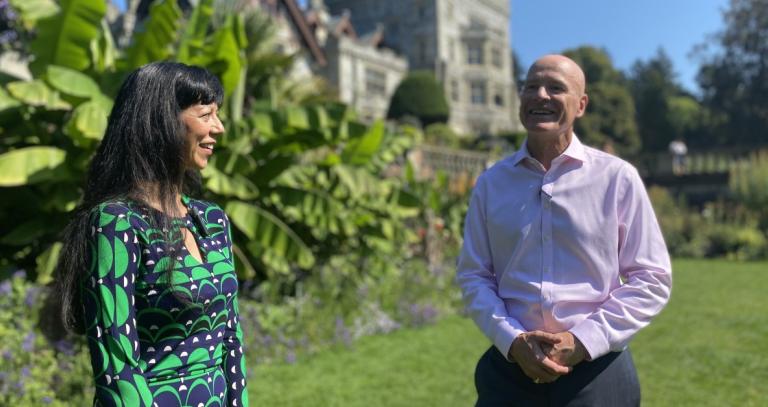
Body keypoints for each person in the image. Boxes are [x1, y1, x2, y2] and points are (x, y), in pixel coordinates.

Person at [456, 55, 672, 406]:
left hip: (597, 371)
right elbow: (474, 274)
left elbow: (652, 277)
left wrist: (584, 340)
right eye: (530, 86)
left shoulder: (616, 178)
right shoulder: (491, 184)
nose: (540, 95)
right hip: (510, 372)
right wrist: (512, 340)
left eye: (556, 87)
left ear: (581, 105)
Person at [54, 62, 248, 407]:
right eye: (206, 115)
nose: (218, 127)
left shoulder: (212, 220)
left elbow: (230, 339)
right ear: (162, 121)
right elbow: (117, 364)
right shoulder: (117, 223)